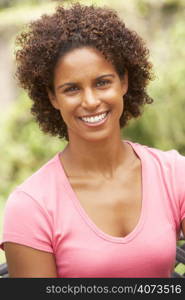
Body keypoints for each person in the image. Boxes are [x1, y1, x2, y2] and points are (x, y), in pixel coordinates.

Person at [0, 2, 185, 278]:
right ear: (52, 97)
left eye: (102, 83)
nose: (90, 101)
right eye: (72, 88)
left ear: (123, 82)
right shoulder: (32, 206)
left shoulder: (173, 173)